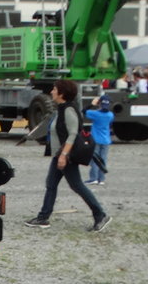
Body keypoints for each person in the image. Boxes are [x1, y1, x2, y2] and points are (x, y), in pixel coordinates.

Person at [25, 79, 111, 232]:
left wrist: (64, 155)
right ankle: (43, 217)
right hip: (59, 155)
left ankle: (100, 215)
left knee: (77, 185)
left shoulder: (68, 110)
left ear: (62, 93)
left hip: (66, 155)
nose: (51, 91)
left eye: (54, 89)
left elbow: (73, 134)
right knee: (51, 184)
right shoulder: (61, 109)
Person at [83, 93, 113, 186]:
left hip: (96, 139)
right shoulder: (110, 115)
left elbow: (84, 111)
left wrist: (92, 104)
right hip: (106, 140)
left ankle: (94, 178)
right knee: (103, 159)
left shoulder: (95, 114)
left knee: (95, 160)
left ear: (100, 103)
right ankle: (101, 179)